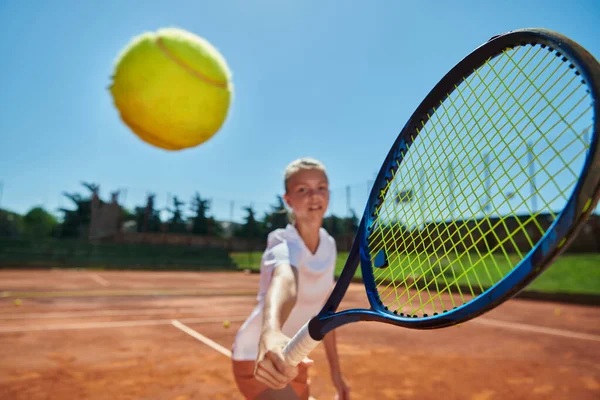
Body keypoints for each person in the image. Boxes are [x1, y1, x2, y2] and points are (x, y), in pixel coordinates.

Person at [231, 157, 350, 400]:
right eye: (302, 189)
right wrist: (271, 331)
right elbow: (285, 280)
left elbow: (324, 314)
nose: (314, 195)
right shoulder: (282, 241)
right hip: (260, 356)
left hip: (295, 353)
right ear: (288, 200)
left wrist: (336, 373)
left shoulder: (328, 244)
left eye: (321, 187)